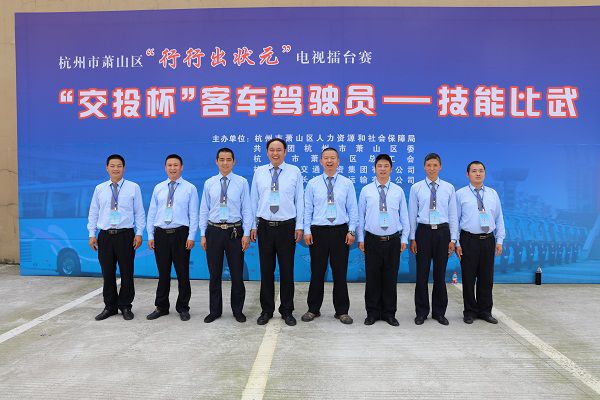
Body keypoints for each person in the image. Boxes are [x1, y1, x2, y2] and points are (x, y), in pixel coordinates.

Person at [250, 138, 304, 326]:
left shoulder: (294, 172)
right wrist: (253, 225)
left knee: (287, 271)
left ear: (285, 152)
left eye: (279, 149)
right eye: (272, 149)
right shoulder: (259, 172)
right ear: (267, 152)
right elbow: (253, 200)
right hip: (265, 227)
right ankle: (266, 310)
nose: (275, 153)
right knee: (266, 271)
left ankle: (287, 310)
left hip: (287, 227)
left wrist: (299, 225)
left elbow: (300, 200)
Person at [301, 148, 358, 325]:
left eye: (333, 158)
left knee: (340, 272)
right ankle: (313, 309)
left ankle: (342, 311)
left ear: (338, 161)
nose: (329, 161)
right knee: (317, 272)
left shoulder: (347, 183)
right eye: (326, 158)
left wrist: (351, 231)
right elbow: (307, 209)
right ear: (320, 161)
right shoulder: (313, 183)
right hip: (318, 232)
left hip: (340, 232)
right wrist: (307, 230)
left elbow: (353, 209)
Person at [87, 154, 145, 321]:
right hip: (105, 236)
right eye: (112, 166)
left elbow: (139, 212)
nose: (116, 169)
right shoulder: (100, 188)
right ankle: (110, 306)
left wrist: (139, 233)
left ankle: (125, 306)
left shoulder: (133, 187)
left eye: (119, 166)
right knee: (108, 273)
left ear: (124, 168)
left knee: (127, 272)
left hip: (125, 235)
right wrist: (92, 234)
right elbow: (93, 212)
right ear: (107, 168)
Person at [199, 148, 252, 323]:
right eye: (221, 159)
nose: (225, 163)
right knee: (214, 274)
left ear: (234, 162)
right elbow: (204, 209)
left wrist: (246, 233)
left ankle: (238, 310)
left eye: (228, 159)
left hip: (234, 231)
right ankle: (215, 311)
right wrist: (203, 234)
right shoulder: (209, 183)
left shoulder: (242, 182)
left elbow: (247, 209)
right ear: (216, 161)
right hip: (214, 231)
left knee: (237, 274)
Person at [357, 154, 409, 326]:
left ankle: (389, 313)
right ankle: (372, 313)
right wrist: (361, 238)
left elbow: (404, 216)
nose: (382, 169)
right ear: (374, 168)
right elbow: (360, 216)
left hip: (393, 240)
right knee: (372, 278)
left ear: (391, 169)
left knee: (390, 278)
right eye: (379, 166)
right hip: (372, 240)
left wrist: (404, 238)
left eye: (386, 166)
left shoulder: (398, 191)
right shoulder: (366, 190)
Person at [146, 154, 199, 322]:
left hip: (181, 234)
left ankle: (183, 307)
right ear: (165, 167)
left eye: (176, 165)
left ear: (181, 167)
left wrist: (191, 236)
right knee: (163, 273)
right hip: (161, 234)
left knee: (183, 273)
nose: (173, 168)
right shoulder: (158, 188)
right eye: (169, 165)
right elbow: (152, 212)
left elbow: (194, 214)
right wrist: (150, 235)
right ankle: (161, 307)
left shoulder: (190, 188)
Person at [409, 153, 458, 326]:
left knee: (440, 274)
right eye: (429, 165)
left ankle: (439, 312)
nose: (432, 168)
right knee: (421, 275)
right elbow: (412, 214)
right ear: (424, 167)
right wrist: (412, 238)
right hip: (423, 232)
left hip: (442, 233)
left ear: (440, 167)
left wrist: (453, 239)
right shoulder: (416, 188)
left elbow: (453, 215)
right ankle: (421, 312)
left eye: (435, 165)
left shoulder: (449, 188)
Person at [455, 161, 505, 324]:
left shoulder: (492, 193)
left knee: (486, 278)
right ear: (467, 174)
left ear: (485, 173)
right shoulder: (460, 194)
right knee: (468, 278)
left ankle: (485, 311)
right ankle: (470, 312)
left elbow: (499, 217)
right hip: (468, 240)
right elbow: (455, 220)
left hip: (488, 240)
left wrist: (499, 240)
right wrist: (456, 243)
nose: (478, 173)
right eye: (474, 171)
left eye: (481, 171)